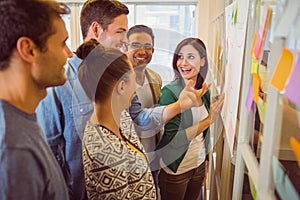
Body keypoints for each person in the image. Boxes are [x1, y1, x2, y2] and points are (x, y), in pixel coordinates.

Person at [36, 1, 209, 199]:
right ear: (96, 29)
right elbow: (49, 151)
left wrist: (181, 105)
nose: (125, 40)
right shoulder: (59, 80)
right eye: (120, 31)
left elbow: (138, 119)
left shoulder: (118, 74)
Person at [0, 0, 73, 199]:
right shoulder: (14, 149)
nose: (69, 54)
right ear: (29, 50)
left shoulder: (23, 119)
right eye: (62, 43)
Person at [77, 41, 156, 199]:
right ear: (121, 87)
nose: (136, 86)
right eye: (133, 79)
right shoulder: (104, 151)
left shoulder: (122, 117)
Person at [156, 38, 224, 200]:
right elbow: (173, 140)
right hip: (176, 170)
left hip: (198, 165)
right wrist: (209, 120)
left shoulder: (203, 90)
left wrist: (205, 162)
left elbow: (203, 134)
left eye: (190, 57)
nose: (183, 62)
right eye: (180, 57)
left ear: (202, 61)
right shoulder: (169, 93)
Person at [126, 24, 162, 195]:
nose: (142, 51)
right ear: (125, 47)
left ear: (153, 51)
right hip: (128, 164)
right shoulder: (117, 81)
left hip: (152, 159)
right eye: (136, 45)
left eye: (148, 46)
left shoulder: (156, 78)